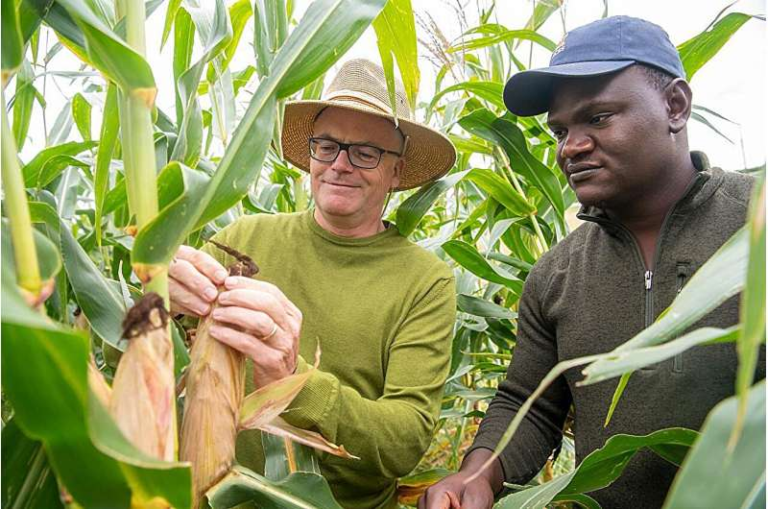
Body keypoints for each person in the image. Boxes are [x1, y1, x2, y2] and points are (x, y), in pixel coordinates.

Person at [420, 15, 764, 509]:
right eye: (560, 130)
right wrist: (476, 475)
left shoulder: (758, 225)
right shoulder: (555, 275)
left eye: (598, 118)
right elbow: (529, 405)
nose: (570, 147)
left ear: (675, 106)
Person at [169, 59, 457, 508]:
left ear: (397, 173)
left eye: (365, 153)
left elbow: (405, 440)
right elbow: (128, 356)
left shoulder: (425, 282)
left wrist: (294, 381)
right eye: (327, 146)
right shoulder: (243, 238)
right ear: (311, 154)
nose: (340, 165)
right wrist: (155, 305)